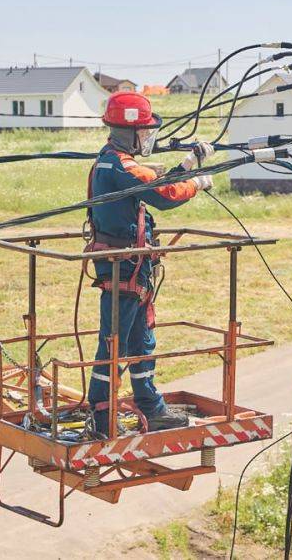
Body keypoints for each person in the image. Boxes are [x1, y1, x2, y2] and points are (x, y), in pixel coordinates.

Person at [85, 91, 214, 434]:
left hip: (135, 266)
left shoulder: (116, 161)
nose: (148, 139)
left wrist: (187, 164)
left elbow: (153, 183)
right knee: (113, 344)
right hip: (122, 267)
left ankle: (150, 406)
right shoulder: (119, 164)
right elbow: (161, 194)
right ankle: (100, 415)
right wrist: (196, 183)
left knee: (141, 340)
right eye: (144, 132)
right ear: (128, 132)